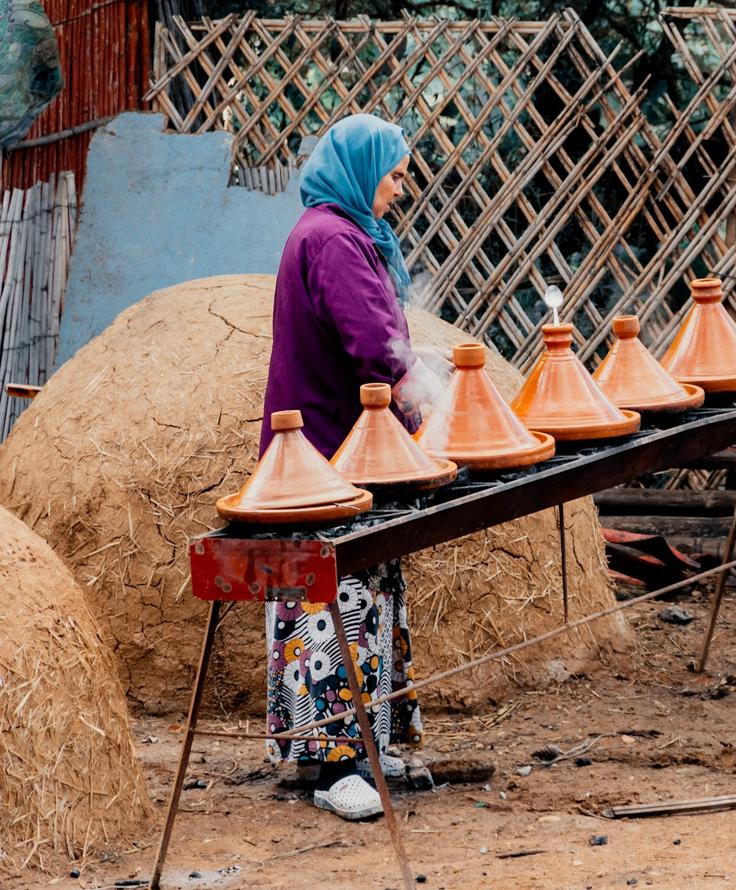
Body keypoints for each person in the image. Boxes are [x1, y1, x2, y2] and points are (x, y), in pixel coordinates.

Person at [260, 114, 441, 821]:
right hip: (331, 452)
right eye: (394, 175)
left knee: (365, 592)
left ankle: (366, 745)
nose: (400, 189)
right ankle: (333, 764)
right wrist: (433, 406)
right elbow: (375, 346)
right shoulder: (333, 239)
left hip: (345, 450)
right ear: (362, 172)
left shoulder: (333, 232)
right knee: (334, 604)